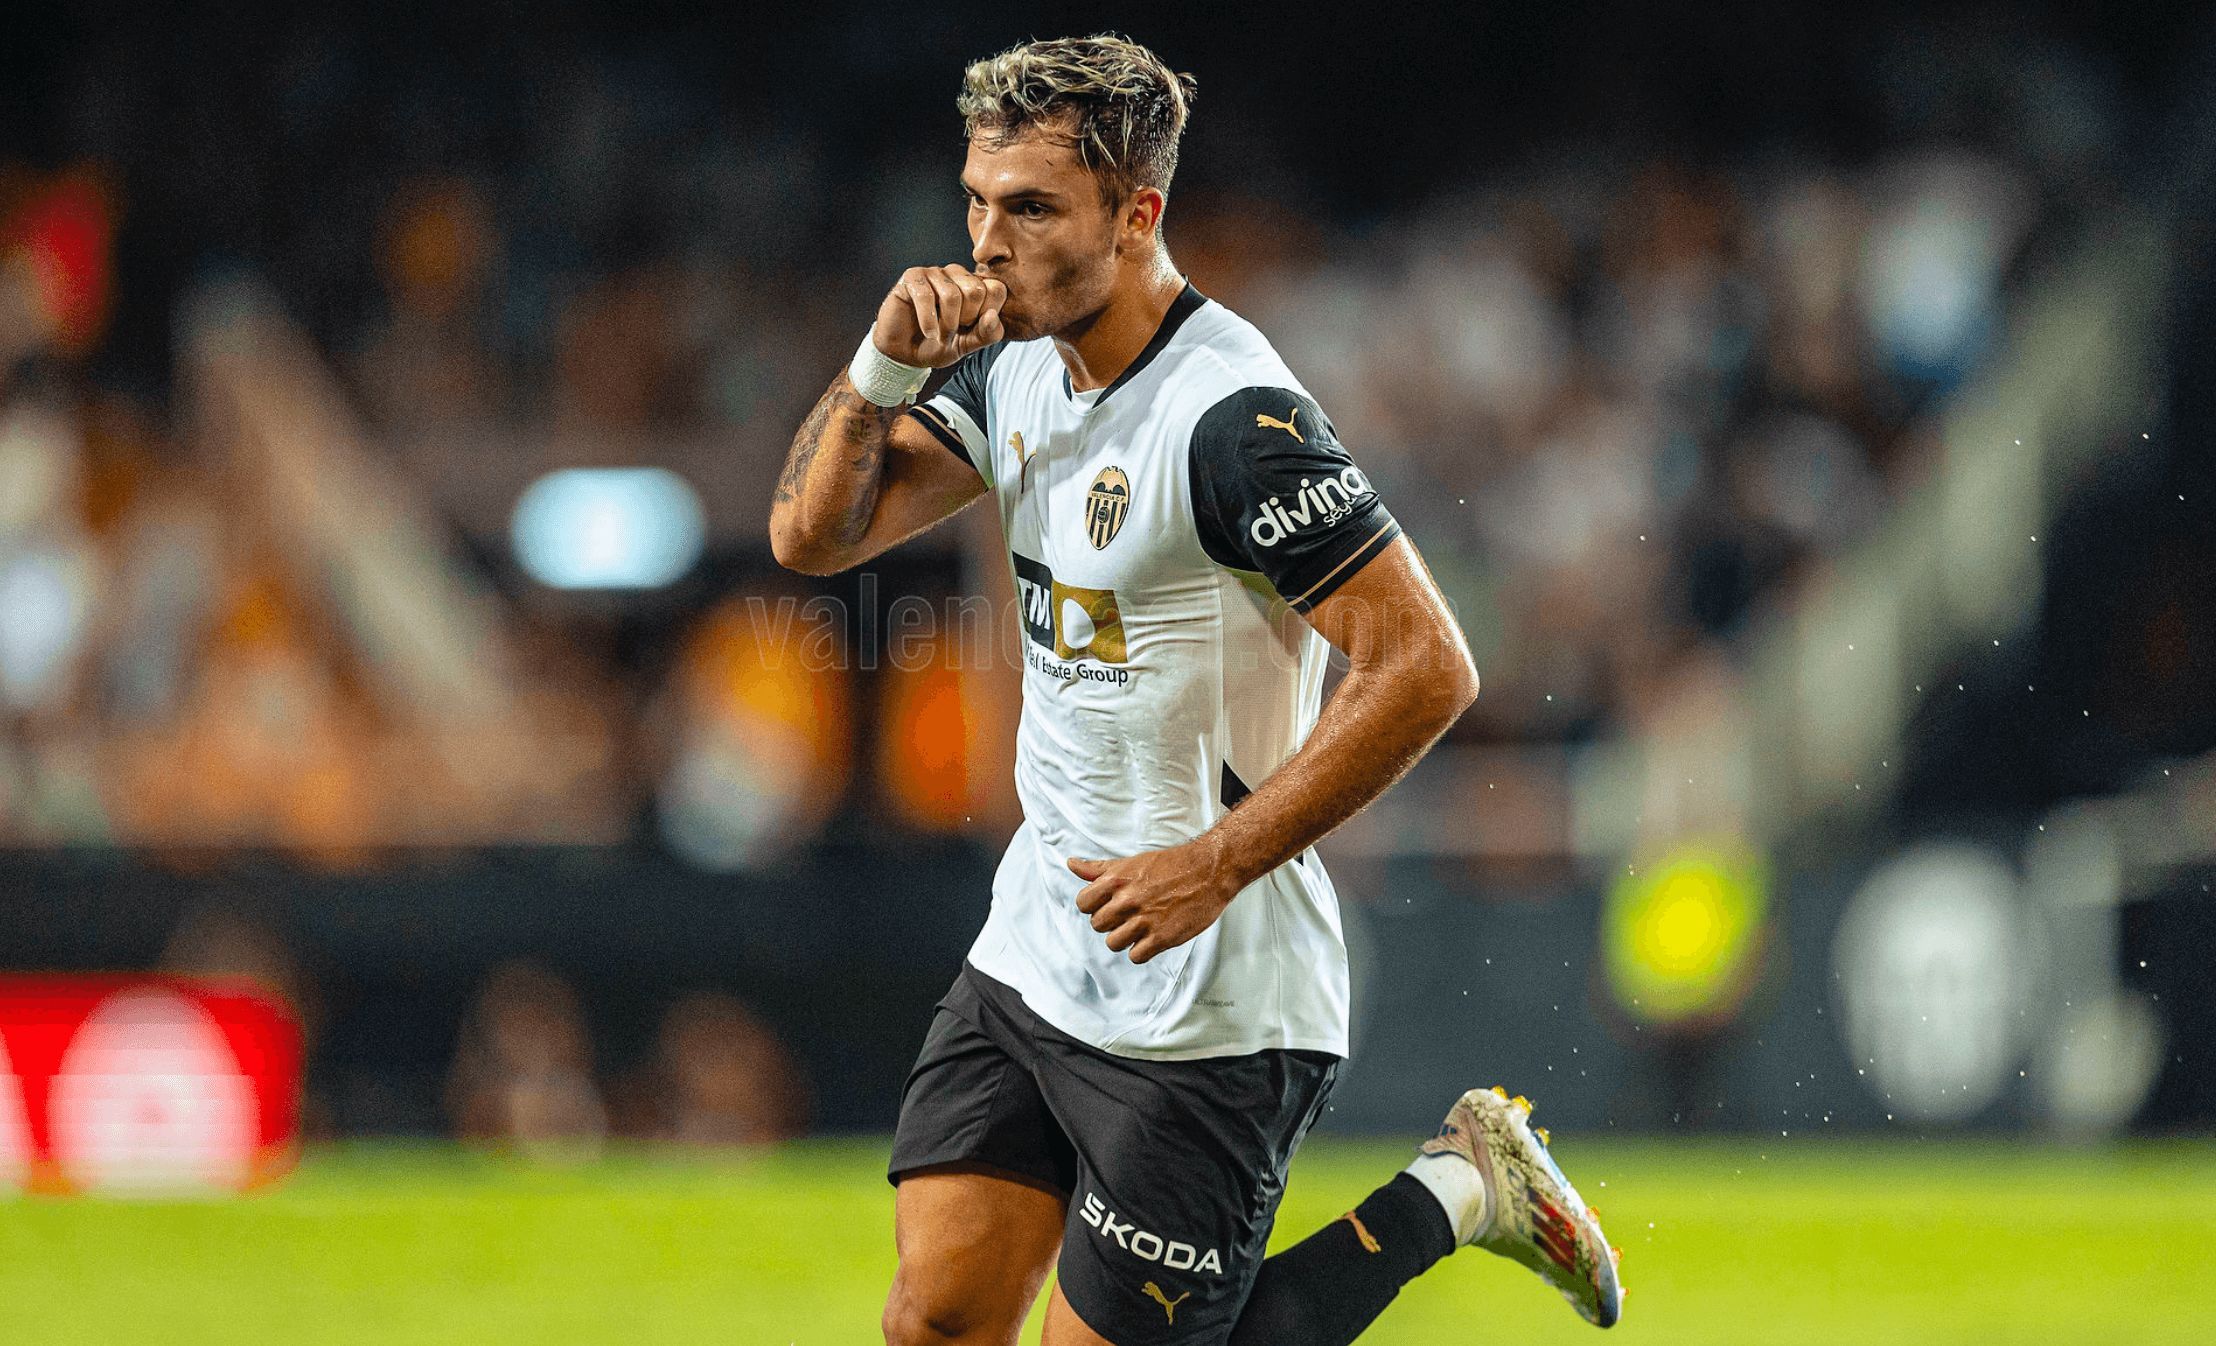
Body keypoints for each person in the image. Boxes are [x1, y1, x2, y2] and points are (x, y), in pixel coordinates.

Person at [770, 34, 1622, 1345]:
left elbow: (1426, 664)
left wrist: (1215, 863)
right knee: (933, 1317)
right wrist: (882, 366)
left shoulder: (1231, 420)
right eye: (977, 202)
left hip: (1214, 990)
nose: (988, 243)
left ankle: (1459, 1188)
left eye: (1033, 207)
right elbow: (811, 536)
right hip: (1044, 938)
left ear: (1137, 214)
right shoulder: (1008, 364)